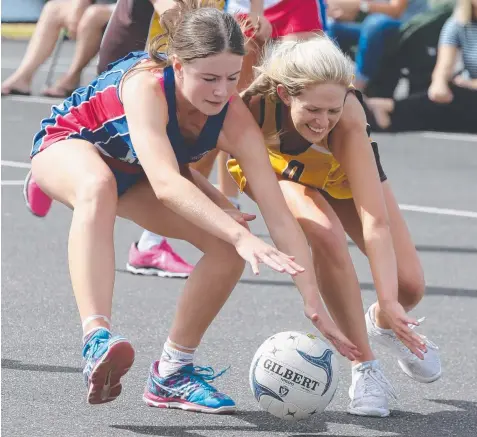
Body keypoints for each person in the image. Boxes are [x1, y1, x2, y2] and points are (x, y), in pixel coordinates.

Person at [29, 3, 359, 411]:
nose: (222, 91)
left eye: (231, 77)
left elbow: (277, 213)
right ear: (178, 66)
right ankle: (97, 337)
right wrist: (236, 229)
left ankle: (171, 373)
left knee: (226, 252)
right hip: (74, 144)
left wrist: (311, 301)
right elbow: (167, 185)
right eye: (209, 78)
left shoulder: (233, 116)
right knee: (96, 187)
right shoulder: (145, 85)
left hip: (139, 172)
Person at [228, 35, 441, 417]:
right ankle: (366, 366)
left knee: (408, 286)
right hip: (280, 169)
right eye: (313, 109)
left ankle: (378, 323)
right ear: (285, 93)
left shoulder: (349, 122)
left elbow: (374, 221)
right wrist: (220, 205)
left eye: (332, 110)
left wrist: (389, 301)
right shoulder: (254, 106)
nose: (323, 122)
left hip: (340, 175)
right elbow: (204, 146)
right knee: (324, 233)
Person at [23, 0, 272, 279]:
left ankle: (148, 245)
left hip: (194, 60)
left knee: (172, 150)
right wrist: (200, 41)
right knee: (134, 158)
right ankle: (55, 160)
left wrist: (256, 16)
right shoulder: (158, 73)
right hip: (146, 52)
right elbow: (177, 18)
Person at [364, 0, 477, 133]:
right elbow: (443, 67)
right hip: (464, 93)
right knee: (444, 101)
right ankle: (383, 119)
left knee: (455, 100)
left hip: (468, 91)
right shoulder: (458, 22)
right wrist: (439, 84)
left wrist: (469, 84)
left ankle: (388, 110)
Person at [1, 0, 117, 98]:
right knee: (53, 8)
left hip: (128, 8)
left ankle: (72, 77)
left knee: (93, 15)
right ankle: (22, 77)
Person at [326, 0, 430, 90]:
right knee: (331, 26)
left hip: (407, 28)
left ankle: (359, 85)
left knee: (373, 23)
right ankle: (331, 78)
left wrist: (360, 5)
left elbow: (395, 11)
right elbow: (352, 12)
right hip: (372, 28)